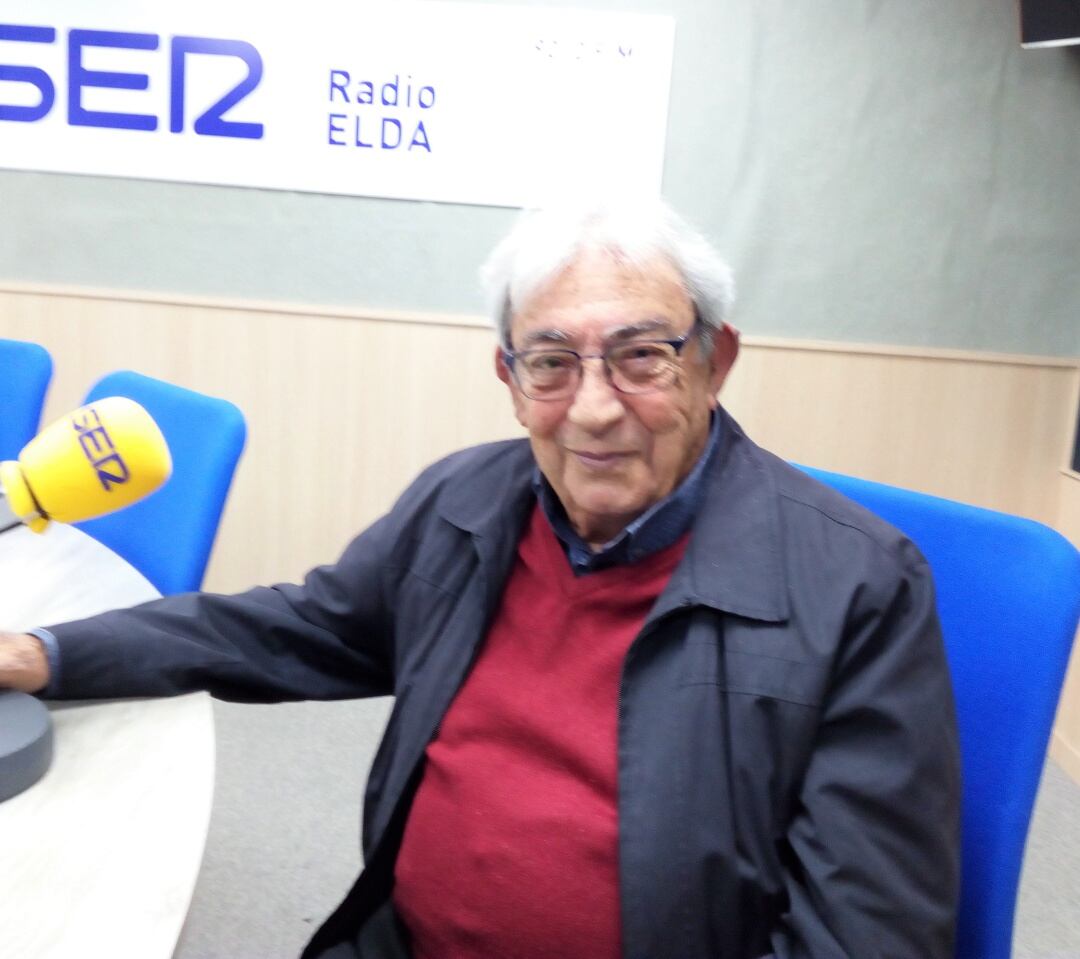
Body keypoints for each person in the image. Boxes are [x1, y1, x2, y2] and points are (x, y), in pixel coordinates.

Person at [0, 199, 960, 959]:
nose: (591, 409)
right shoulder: (466, 503)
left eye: (640, 357)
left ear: (714, 362)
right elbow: (292, 627)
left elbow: (866, 934)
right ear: (509, 376)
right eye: (551, 362)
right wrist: (46, 653)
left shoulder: (859, 586)